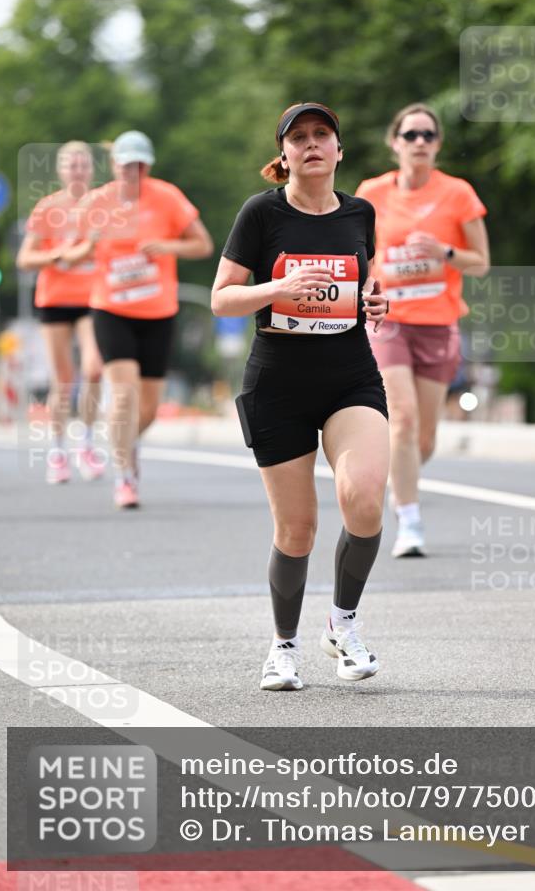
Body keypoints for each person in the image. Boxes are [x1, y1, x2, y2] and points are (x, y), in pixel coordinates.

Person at [211, 103, 389, 691]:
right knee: (298, 529)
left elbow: (366, 285)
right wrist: (278, 287)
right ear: (283, 155)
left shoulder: (361, 214)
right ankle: (283, 648)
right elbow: (222, 299)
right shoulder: (261, 214)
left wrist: (376, 303)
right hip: (278, 386)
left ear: (340, 151)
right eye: (299, 138)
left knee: (363, 496)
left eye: (323, 135)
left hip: (350, 378)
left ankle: (342, 623)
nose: (312, 144)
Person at [356, 103, 490, 557]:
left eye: (428, 136)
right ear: (394, 142)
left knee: (424, 436)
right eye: (410, 135)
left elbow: (481, 262)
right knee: (404, 418)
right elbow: (357, 251)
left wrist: (444, 252)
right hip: (388, 321)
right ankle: (409, 520)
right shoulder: (372, 192)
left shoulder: (457, 194)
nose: (419, 143)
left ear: (438, 144)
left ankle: (401, 480)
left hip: (438, 324)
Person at [67, 131, 213, 508]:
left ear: (147, 165)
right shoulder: (97, 202)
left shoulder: (167, 197)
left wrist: (169, 246)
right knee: (123, 392)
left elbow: (204, 244)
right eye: (124, 163)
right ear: (113, 164)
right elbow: (70, 256)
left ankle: (123, 441)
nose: (132, 171)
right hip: (111, 310)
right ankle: (124, 475)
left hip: (158, 312)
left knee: (148, 407)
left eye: (139, 164)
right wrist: (90, 243)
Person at [16, 141, 105, 485]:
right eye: (71, 164)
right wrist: (59, 257)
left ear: (91, 169)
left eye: (83, 164)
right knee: (62, 379)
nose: (78, 170)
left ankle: (85, 442)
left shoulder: (103, 206)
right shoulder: (47, 208)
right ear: (61, 170)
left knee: (94, 369)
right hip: (54, 299)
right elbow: (25, 259)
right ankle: (56, 450)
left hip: (93, 298)